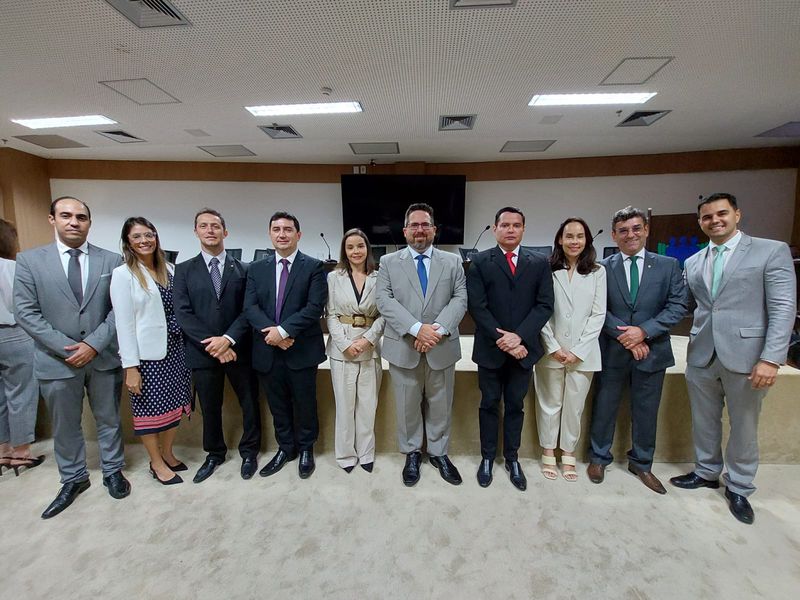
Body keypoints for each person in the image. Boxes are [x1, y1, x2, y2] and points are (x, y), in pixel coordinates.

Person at [670, 193, 795, 524]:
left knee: (743, 425)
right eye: (707, 217)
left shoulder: (771, 251)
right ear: (700, 222)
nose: (715, 220)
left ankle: (739, 486)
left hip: (748, 356)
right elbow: (684, 305)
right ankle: (706, 471)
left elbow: (783, 307)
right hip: (701, 354)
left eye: (721, 214)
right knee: (704, 419)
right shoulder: (694, 261)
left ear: (737, 215)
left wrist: (771, 358)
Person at [14, 196, 130, 518]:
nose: (74, 222)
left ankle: (112, 471)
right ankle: (73, 478)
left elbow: (117, 310)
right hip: (56, 360)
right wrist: (67, 347)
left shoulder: (111, 261)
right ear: (52, 219)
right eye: (66, 216)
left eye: (81, 217)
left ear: (89, 223)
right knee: (66, 426)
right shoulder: (30, 261)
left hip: (102, 356)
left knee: (108, 419)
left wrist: (92, 345)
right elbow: (26, 313)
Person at [587, 206, 687, 494]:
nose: (630, 235)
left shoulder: (668, 265)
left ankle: (642, 463)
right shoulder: (602, 267)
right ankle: (599, 457)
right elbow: (596, 309)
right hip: (613, 351)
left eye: (635, 229)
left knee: (646, 411)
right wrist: (626, 336)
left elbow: (677, 306)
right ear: (615, 235)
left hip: (652, 351)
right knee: (604, 406)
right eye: (623, 231)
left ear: (646, 230)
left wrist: (643, 332)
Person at [376, 203, 467, 487]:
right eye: (414, 225)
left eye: (425, 225)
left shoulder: (452, 262)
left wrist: (436, 331)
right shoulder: (388, 263)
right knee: (407, 405)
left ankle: (439, 453)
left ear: (434, 230)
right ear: (405, 231)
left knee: (441, 404)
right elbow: (385, 301)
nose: (419, 230)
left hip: (441, 346)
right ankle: (412, 453)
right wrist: (417, 330)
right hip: (405, 346)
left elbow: (460, 298)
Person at [467, 207, 554, 490]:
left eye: (516, 225)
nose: (510, 230)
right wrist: (502, 339)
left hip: (523, 349)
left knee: (516, 404)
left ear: (523, 230)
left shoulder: (540, 262)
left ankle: (512, 458)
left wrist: (519, 337)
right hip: (490, 349)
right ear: (495, 229)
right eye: (505, 225)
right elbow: (477, 307)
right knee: (489, 403)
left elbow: (544, 305)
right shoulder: (480, 261)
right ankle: (488, 458)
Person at [174, 209, 261, 483]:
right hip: (203, 352)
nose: (210, 230)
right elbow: (183, 313)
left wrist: (228, 340)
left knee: (249, 402)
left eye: (215, 226)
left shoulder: (245, 269)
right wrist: (214, 345)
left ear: (225, 232)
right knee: (210, 406)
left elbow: (249, 310)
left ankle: (249, 452)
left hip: (239, 348)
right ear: (196, 232)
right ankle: (214, 453)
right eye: (203, 226)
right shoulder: (184, 270)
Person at [244, 211, 327, 479]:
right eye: (277, 229)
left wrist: (283, 331)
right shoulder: (256, 268)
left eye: (288, 229)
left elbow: (314, 308)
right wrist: (273, 334)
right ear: (270, 234)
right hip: (267, 348)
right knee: (277, 403)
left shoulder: (313, 267)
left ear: (298, 235)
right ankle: (285, 448)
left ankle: (305, 449)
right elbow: (250, 306)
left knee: (304, 402)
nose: (282, 234)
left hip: (301, 348)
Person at [110, 217, 192, 485]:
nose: (144, 241)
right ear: (128, 243)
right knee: (150, 413)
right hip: (147, 357)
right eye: (137, 237)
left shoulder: (170, 269)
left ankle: (167, 453)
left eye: (149, 235)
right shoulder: (123, 275)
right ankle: (156, 463)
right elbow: (123, 324)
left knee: (175, 407)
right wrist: (130, 367)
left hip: (177, 351)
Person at [534, 217, 606, 481]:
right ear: (559, 240)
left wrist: (578, 350)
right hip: (550, 350)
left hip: (583, 353)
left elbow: (598, 315)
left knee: (574, 407)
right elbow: (540, 310)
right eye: (569, 236)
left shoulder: (598, 271)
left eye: (579, 236)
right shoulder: (546, 268)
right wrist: (553, 346)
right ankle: (548, 452)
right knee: (549, 405)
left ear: (586, 240)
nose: (574, 241)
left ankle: (568, 453)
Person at [326, 229, 385, 473]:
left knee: (368, 405)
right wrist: (345, 344)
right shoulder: (333, 277)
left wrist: (368, 340)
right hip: (342, 350)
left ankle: (366, 452)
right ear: (344, 251)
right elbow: (330, 314)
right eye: (350, 247)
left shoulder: (380, 277)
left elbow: (385, 314)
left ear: (367, 249)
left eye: (360, 246)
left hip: (369, 348)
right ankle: (346, 455)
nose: (356, 251)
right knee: (345, 406)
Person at [0, 219, 43, 476]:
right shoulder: (14, 268)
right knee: (21, 392)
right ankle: (21, 452)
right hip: (14, 332)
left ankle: (3, 449)